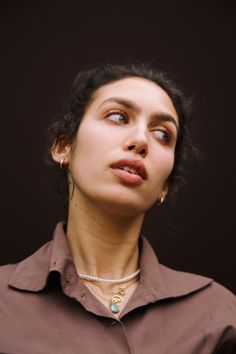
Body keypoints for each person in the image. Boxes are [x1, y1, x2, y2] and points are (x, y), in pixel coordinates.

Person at [0, 63, 235, 354]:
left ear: (165, 187)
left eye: (162, 134)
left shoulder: (220, 314)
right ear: (64, 147)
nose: (140, 141)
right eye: (117, 116)